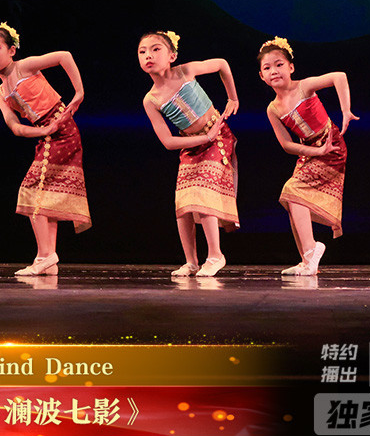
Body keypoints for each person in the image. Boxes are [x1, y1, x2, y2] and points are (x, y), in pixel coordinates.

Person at [0, 23, 91, 276]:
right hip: (48, 135)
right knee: (43, 195)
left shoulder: (24, 67)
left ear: (11, 50)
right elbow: (15, 127)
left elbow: (64, 56)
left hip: (63, 131)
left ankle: (45, 256)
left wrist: (79, 92)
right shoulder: (0, 92)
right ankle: (48, 260)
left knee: (31, 191)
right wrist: (42, 132)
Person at [139, 31, 240, 277]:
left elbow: (222, 64)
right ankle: (191, 262)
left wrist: (233, 98)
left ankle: (215, 255)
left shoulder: (186, 71)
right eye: (142, 52)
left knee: (202, 192)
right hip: (193, 144)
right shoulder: (151, 100)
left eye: (155, 49)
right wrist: (203, 139)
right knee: (183, 202)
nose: (148, 55)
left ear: (172, 56)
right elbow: (167, 141)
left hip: (218, 135)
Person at [258, 37, 356, 277]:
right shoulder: (273, 108)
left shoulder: (303, 87)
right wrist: (315, 152)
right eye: (267, 68)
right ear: (262, 76)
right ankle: (306, 260)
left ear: (291, 67)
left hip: (331, 147)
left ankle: (312, 250)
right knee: (292, 199)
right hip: (311, 151)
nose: (274, 71)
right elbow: (286, 145)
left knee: (292, 191)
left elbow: (339, 76)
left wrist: (345, 110)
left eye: (279, 64)